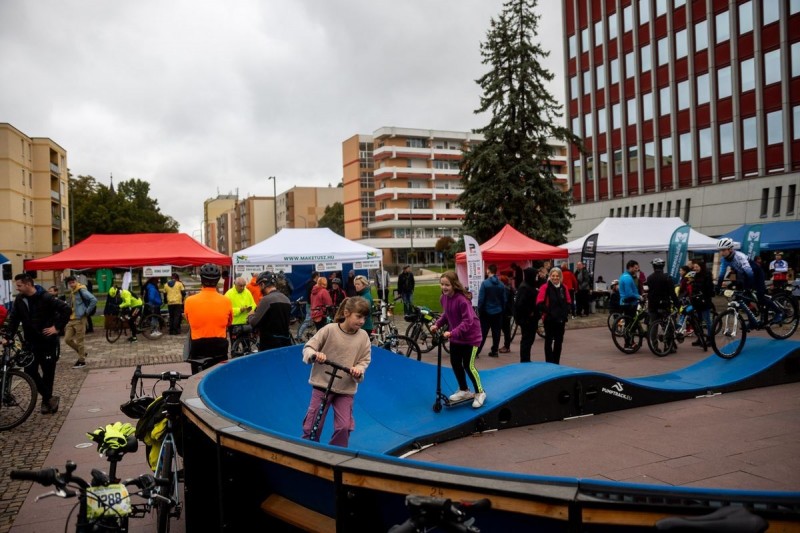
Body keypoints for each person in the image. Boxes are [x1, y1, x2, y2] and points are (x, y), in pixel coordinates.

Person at [301, 296, 372, 447]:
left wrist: (358, 370)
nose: (362, 321)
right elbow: (309, 347)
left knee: (344, 426)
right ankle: (309, 449)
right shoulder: (329, 330)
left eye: (364, 318)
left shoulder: (363, 336)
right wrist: (315, 355)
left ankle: (336, 454)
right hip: (322, 385)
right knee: (314, 424)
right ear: (346, 313)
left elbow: (364, 360)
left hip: (345, 388)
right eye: (358, 316)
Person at [2, 273, 71, 414]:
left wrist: (56, 328)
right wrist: (8, 336)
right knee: (30, 371)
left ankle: (46, 403)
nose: (17, 288)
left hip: (47, 342)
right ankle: (50, 398)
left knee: (48, 372)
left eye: (19, 285)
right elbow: (14, 319)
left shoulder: (45, 297)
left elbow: (66, 310)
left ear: (28, 284)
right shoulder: (20, 300)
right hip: (30, 343)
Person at [430, 271, 487, 408]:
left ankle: (480, 392)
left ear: (454, 285)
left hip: (471, 338)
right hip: (456, 337)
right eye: (442, 284)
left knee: (468, 365)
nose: (444, 287)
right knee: (455, 363)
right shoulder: (443, 298)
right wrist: (437, 324)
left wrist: (452, 332)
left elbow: (468, 321)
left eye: (447, 285)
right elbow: (446, 314)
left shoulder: (462, 300)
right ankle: (464, 390)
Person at [715, 237, 781, 326]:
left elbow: (750, 272)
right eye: (720, 250)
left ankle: (779, 312)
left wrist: (750, 287)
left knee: (760, 297)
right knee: (744, 299)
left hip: (756, 273)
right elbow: (721, 274)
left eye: (723, 250)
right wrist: (718, 287)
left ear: (730, 249)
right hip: (745, 275)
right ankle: (752, 320)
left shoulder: (739, 256)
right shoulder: (724, 260)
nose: (721, 252)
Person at [183, 263, 232, 374]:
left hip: (198, 344)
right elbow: (229, 322)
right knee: (220, 375)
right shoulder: (226, 301)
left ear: (201, 280)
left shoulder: (190, 301)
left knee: (197, 378)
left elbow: (189, 320)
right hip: (219, 344)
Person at [248, 271, 293, 350]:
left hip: (269, 344)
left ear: (263, 284)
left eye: (259, 286)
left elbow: (254, 322)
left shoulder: (266, 300)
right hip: (285, 342)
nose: (259, 289)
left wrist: (250, 315)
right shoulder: (286, 299)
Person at [536, 267, 571, 365]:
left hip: (561, 319)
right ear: (550, 276)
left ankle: (556, 362)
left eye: (557, 276)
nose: (555, 278)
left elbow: (568, 301)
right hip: (549, 319)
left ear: (560, 277)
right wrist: (549, 312)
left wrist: (566, 311)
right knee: (549, 340)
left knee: (559, 341)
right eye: (553, 276)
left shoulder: (563, 288)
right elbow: (539, 303)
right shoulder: (545, 287)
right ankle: (549, 362)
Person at [64, 275, 97, 369]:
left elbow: (93, 299)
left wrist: (87, 311)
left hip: (80, 319)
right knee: (67, 339)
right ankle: (82, 352)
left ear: (76, 281)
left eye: (72, 282)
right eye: (69, 283)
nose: (71, 284)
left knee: (80, 341)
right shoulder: (72, 291)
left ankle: (82, 361)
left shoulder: (81, 290)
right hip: (71, 319)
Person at [477, 264, 506, 358]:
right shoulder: (501, 284)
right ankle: (494, 351)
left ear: (488, 271)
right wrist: (502, 310)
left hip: (486, 312)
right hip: (498, 312)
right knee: (496, 333)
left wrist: (479, 311)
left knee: (482, 333)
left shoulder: (485, 283)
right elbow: (504, 300)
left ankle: (476, 352)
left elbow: (481, 300)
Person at [513, 267, 539, 363]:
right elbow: (520, 304)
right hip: (527, 319)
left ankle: (526, 359)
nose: (536, 277)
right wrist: (530, 312)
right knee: (527, 340)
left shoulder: (528, 285)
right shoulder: (525, 287)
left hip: (529, 319)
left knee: (529, 339)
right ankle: (525, 360)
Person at [646, 258, 679, 326]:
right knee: (668, 325)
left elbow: (648, 291)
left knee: (653, 325)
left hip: (652, 305)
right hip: (664, 305)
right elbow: (672, 293)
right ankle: (668, 335)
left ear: (653, 267)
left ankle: (652, 336)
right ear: (663, 267)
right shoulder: (667, 277)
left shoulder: (649, 278)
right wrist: (677, 305)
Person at [691, 259, 715, 345]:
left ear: (701, 267)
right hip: (697, 301)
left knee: (707, 320)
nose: (695, 268)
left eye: (697, 267)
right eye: (694, 267)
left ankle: (710, 338)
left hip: (705, 301)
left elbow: (709, 289)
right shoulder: (694, 276)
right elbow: (693, 287)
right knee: (698, 321)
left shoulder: (707, 275)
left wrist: (704, 295)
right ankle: (700, 338)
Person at [618, 260, 641, 349]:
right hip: (629, 303)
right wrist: (639, 296)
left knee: (629, 324)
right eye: (635, 268)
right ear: (630, 267)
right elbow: (629, 294)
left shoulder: (625, 276)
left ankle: (630, 342)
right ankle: (628, 343)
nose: (637, 270)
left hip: (627, 303)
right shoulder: (627, 278)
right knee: (631, 325)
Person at [296, 271, 320, 341]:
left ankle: (300, 335)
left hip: (310, 304)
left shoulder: (309, 283)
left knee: (310, 321)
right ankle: (298, 336)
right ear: (316, 276)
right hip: (312, 305)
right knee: (307, 320)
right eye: (319, 276)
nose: (319, 277)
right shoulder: (314, 285)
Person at [498, 275, 514, 354]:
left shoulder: (505, 289)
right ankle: (506, 346)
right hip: (508, 312)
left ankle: (507, 346)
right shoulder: (508, 288)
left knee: (506, 330)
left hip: (505, 312)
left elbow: (504, 301)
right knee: (506, 330)